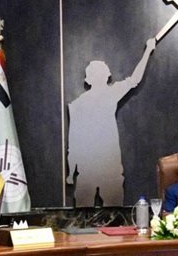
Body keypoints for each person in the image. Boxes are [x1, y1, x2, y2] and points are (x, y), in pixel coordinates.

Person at [65, 38, 156, 207]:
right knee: (88, 214)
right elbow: (74, 141)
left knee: (110, 213)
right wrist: (71, 172)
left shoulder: (104, 95)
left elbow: (134, 80)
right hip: (91, 169)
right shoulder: (83, 103)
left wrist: (148, 51)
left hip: (107, 167)